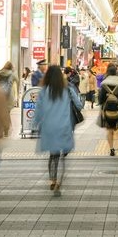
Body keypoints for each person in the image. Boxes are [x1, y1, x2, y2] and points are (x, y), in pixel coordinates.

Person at [34, 64, 82, 196]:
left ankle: (52, 180)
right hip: (64, 126)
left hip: (49, 127)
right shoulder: (67, 89)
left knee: (53, 155)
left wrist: (35, 124)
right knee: (63, 156)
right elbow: (79, 104)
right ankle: (59, 180)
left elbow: (38, 111)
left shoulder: (44, 91)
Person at [98, 64, 118, 156]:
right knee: (117, 128)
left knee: (109, 130)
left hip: (107, 110)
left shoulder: (104, 84)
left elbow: (101, 99)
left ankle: (111, 149)